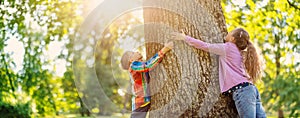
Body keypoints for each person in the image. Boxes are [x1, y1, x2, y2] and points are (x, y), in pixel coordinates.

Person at [171, 28, 266, 117]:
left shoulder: (228, 48)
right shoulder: (241, 52)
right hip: (251, 89)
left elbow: (205, 46)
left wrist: (185, 38)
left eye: (230, 32)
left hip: (242, 91)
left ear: (232, 39)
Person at [120, 42, 173, 118]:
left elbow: (148, 65)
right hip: (140, 103)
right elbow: (148, 65)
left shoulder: (137, 66)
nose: (137, 52)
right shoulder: (133, 65)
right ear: (131, 60)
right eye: (133, 53)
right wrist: (164, 50)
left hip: (142, 103)